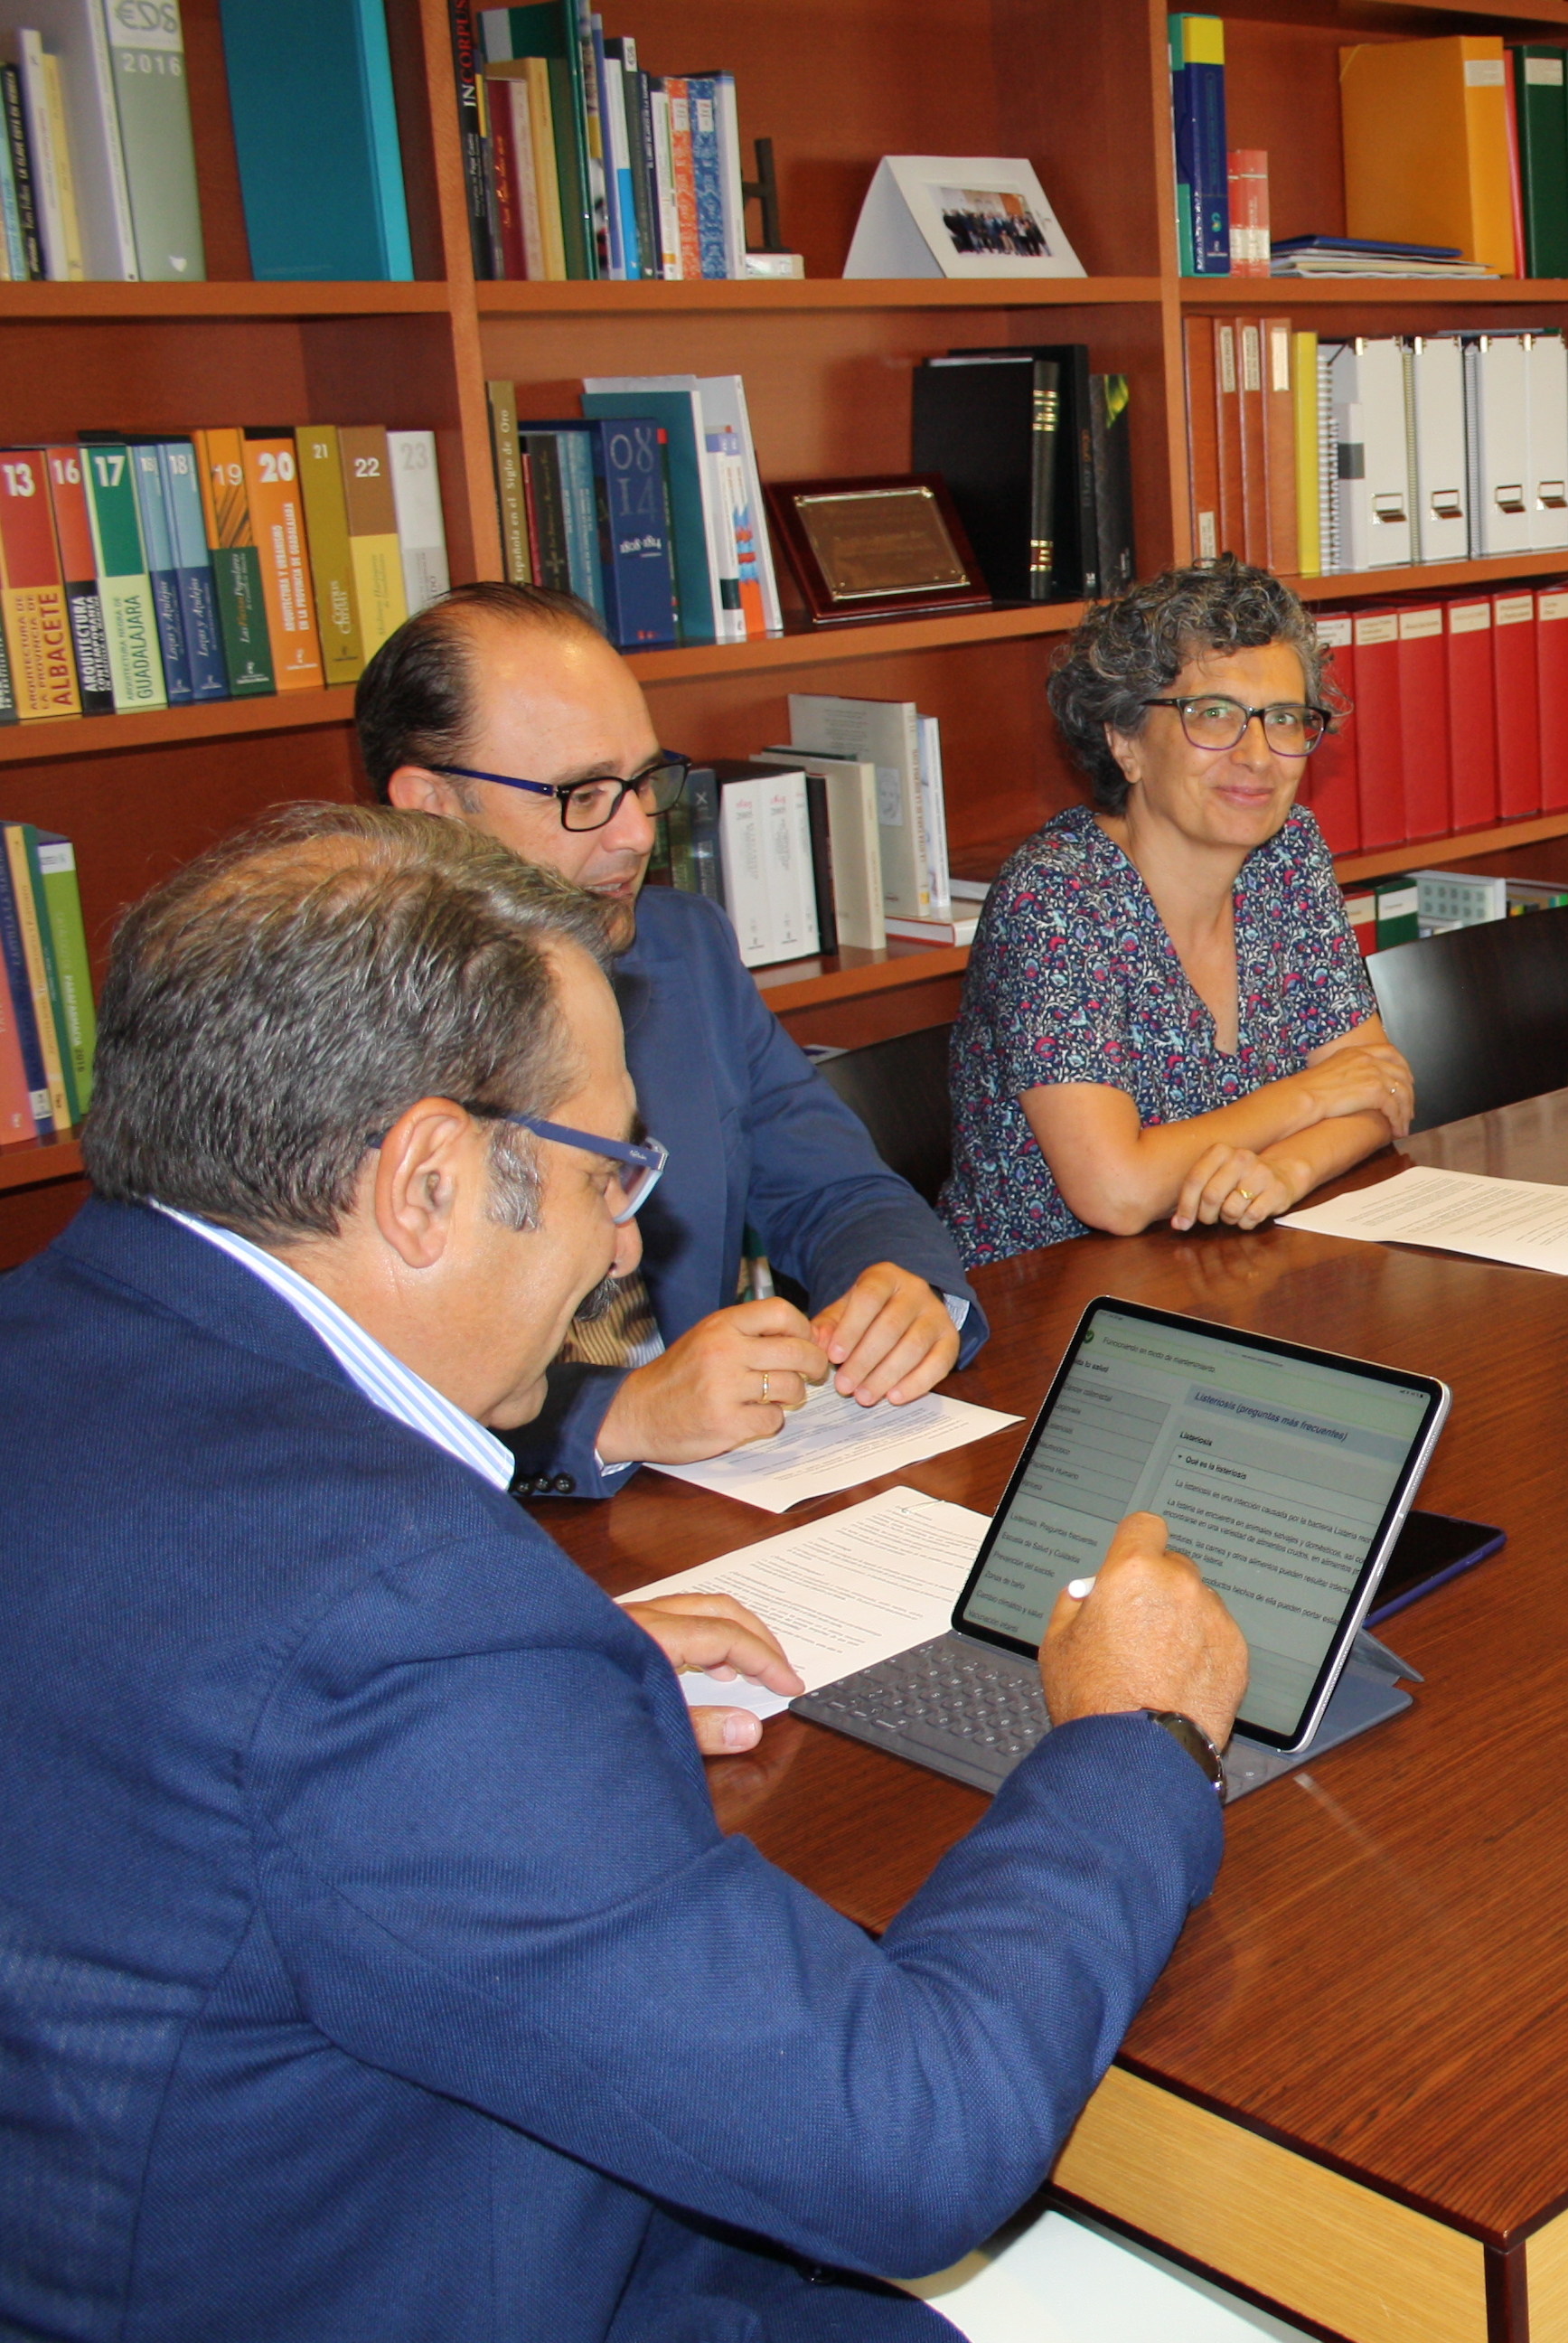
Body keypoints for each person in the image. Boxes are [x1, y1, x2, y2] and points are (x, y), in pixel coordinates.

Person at [0, 805, 1247, 2342]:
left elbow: (207, 1714)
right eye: (607, 1170)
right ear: (428, 1180)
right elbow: (913, 2141)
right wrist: (1133, 1740)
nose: (623, 1248)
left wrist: (530, 1675)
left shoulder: (56, 1353)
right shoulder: (400, 1630)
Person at [361, 582, 985, 1499]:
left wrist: (904, 1292)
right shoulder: (324, 1027)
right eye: (581, 795)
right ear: (432, 806)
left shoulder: (681, 949)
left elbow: (839, 1190)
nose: (635, 833)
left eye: (644, 782)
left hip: (713, 1507)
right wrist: (613, 1414)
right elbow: (333, 1383)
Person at [943, 559, 1413, 1267]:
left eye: (1284, 719)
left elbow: (1382, 1092)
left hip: (1225, 1270)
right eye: (1214, 715)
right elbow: (1117, 1191)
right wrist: (1309, 1097)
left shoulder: (1289, 853)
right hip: (1038, 1307)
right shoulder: (1057, 899)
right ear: (1125, 740)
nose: (1258, 756)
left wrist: (1286, 1173)